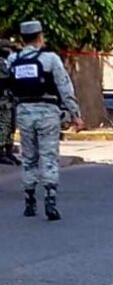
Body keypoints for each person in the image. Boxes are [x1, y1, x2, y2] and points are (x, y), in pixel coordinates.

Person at [8, 21, 83, 220]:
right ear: (40, 36)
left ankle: (29, 200)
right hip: (48, 112)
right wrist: (76, 115)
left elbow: (8, 87)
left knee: (29, 157)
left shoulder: (13, 59)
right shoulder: (50, 59)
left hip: (24, 111)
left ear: (22, 38)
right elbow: (65, 88)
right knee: (49, 156)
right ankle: (50, 199)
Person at [0, 39, 20, 166]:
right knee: (3, 125)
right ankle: (1, 152)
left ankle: (9, 151)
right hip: (2, 99)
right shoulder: (2, 63)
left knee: (11, 126)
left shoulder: (8, 62)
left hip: (10, 99)